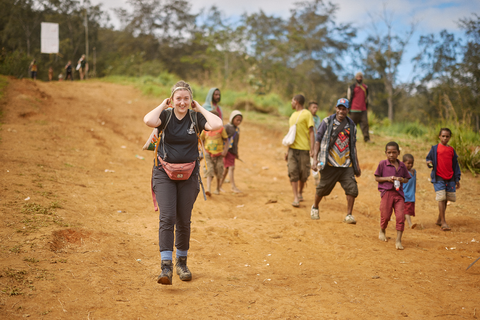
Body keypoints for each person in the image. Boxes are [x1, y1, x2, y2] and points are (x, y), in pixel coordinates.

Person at [143, 80, 223, 285]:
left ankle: (182, 263)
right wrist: (163, 104)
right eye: (178, 98)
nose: (182, 102)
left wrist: (201, 109)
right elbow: (148, 120)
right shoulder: (166, 116)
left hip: (189, 174)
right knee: (168, 216)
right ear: (173, 99)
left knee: (184, 219)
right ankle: (166, 266)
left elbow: (217, 125)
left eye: (186, 98)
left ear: (191, 100)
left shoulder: (196, 118)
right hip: (164, 172)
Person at [311, 98, 361, 222]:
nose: (341, 111)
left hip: (346, 164)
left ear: (348, 110)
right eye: (339, 108)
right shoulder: (327, 122)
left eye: (344, 109)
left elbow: (353, 146)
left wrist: (356, 165)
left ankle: (349, 215)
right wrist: (315, 159)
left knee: (352, 188)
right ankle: (315, 207)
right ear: (336, 108)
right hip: (329, 163)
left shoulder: (351, 125)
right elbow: (318, 140)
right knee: (322, 188)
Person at [374, 141, 411, 250]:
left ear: (398, 153)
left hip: (399, 194)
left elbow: (407, 179)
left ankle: (398, 240)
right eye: (389, 152)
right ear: (385, 153)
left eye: (394, 152)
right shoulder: (382, 164)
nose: (391, 155)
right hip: (387, 193)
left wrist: (401, 179)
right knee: (385, 215)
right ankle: (382, 230)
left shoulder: (402, 165)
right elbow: (377, 178)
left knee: (400, 217)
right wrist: (388, 178)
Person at [426, 128, 461, 231]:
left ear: (450, 137)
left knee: (445, 198)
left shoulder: (451, 150)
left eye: (447, 136)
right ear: (439, 136)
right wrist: (429, 163)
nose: (445, 138)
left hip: (450, 177)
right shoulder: (434, 148)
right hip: (438, 177)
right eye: (443, 136)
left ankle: (439, 219)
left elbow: (455, 165)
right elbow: (429, 159)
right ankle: (444, 222)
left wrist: (457, 179)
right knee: (441, 198)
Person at [285, 95, 314, 207]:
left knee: (304, 174)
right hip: (292, 149)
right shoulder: (292, 116)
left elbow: (311, 131)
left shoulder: (307, 114)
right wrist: (287, 151)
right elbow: (290, 135)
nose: (291, 103)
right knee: (293, 172)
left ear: (296, 101)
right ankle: (296, 196)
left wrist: (312, 149)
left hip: (304, 149)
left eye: (292, 100)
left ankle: (300, 192)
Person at [200, 110, 228, 196]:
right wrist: (203, 150)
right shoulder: (205, 129)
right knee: (209, 169)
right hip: (208, 153)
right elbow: (201, 139)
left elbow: (226, 140)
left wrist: (224, 151)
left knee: (219, 170)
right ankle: (208, 188)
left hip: (219, 154)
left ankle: (217, 188)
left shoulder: (221, 129)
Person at [347, 72, 371, 143]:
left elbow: (367, 98)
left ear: (362, 78)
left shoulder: (365, 87)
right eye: (358, 77)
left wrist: (366, 107)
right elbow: (349, 97)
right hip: (353, 109)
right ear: (356, 78)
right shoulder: (352, 87)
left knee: (365, 125)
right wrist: (349, 108)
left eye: (360, 77)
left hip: (363, 109)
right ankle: (350, 139)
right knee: (351, 125)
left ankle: (366, 139)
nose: (359, 78)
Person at [222, 110, 243, 193]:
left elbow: (236, 142)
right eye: (237, 119)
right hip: (227, 151)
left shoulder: (237, 129)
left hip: (233, 152)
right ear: (232, 118)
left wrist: (236, 153)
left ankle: (219, 186)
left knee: (226, 169)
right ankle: (233, 186)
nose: (239, 122)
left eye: (240, 120)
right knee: (231, 167)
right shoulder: (227, 127)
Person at [402, 154, 417, 229]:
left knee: (407, 210)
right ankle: (410, 224)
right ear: (403, 163)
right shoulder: (402, 172)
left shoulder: (414, 171)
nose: (410, 165)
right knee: (406, 211)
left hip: (411, 195)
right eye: (408, 163)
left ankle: (401, 223)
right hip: (405, 195)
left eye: (412, 163)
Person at [308, 101, 321, 186]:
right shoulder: (308, 118)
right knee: (313, 160)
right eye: (313, 107)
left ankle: (317, 177)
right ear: (309, 108)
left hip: (318, 142)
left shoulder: (318, 118)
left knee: (318, 160)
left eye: (316, 107)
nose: (315, 109)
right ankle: (316, 178)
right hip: (310, 143)